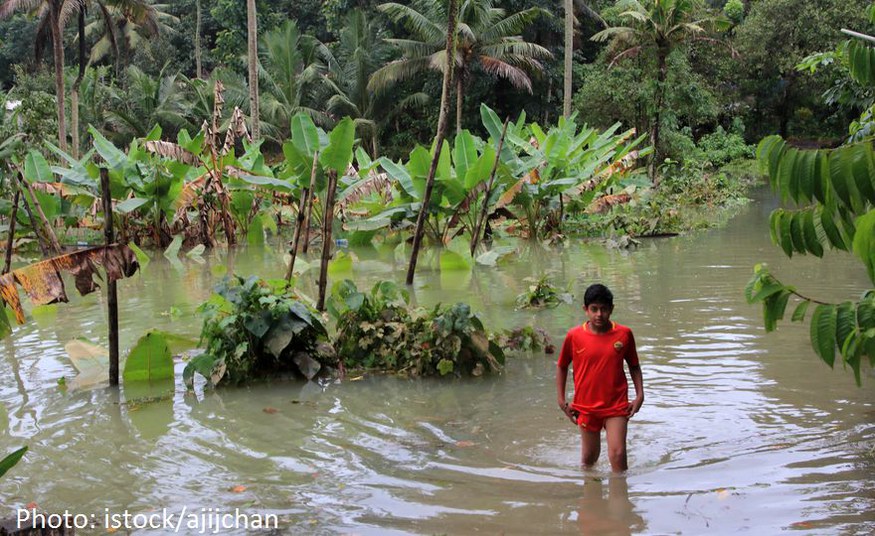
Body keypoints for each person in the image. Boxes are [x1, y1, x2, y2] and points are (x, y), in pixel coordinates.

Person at [556, 283, 644, 472]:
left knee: (618, 455)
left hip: (617, 405)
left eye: (604, 309)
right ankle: (590, 496)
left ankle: (620, 497)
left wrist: (639, 395)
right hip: (586, 406)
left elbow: (634, 366)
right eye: (594, 309)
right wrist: (561, 400)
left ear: (611, 309)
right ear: (585, 310)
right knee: (589, 459)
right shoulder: (574, 336)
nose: (599, 314)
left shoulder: (624, 334)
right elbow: (562, 366)